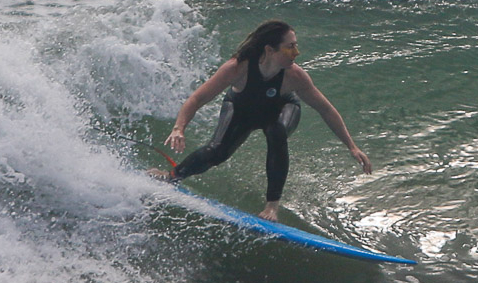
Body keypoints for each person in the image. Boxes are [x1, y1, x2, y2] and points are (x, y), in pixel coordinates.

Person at [160, 20, 373, 221]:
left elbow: (326, 110)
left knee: (276, 131)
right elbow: (198, 98)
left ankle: (272, 205)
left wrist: (352, 146)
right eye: (290, 47)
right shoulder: (237, 68)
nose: (296, 53)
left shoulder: (295, 76)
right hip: (241, 108)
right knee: (217, 152)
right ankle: (172, 176)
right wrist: (179, 128)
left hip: (281, 110)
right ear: (270, 50)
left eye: (296, 46)